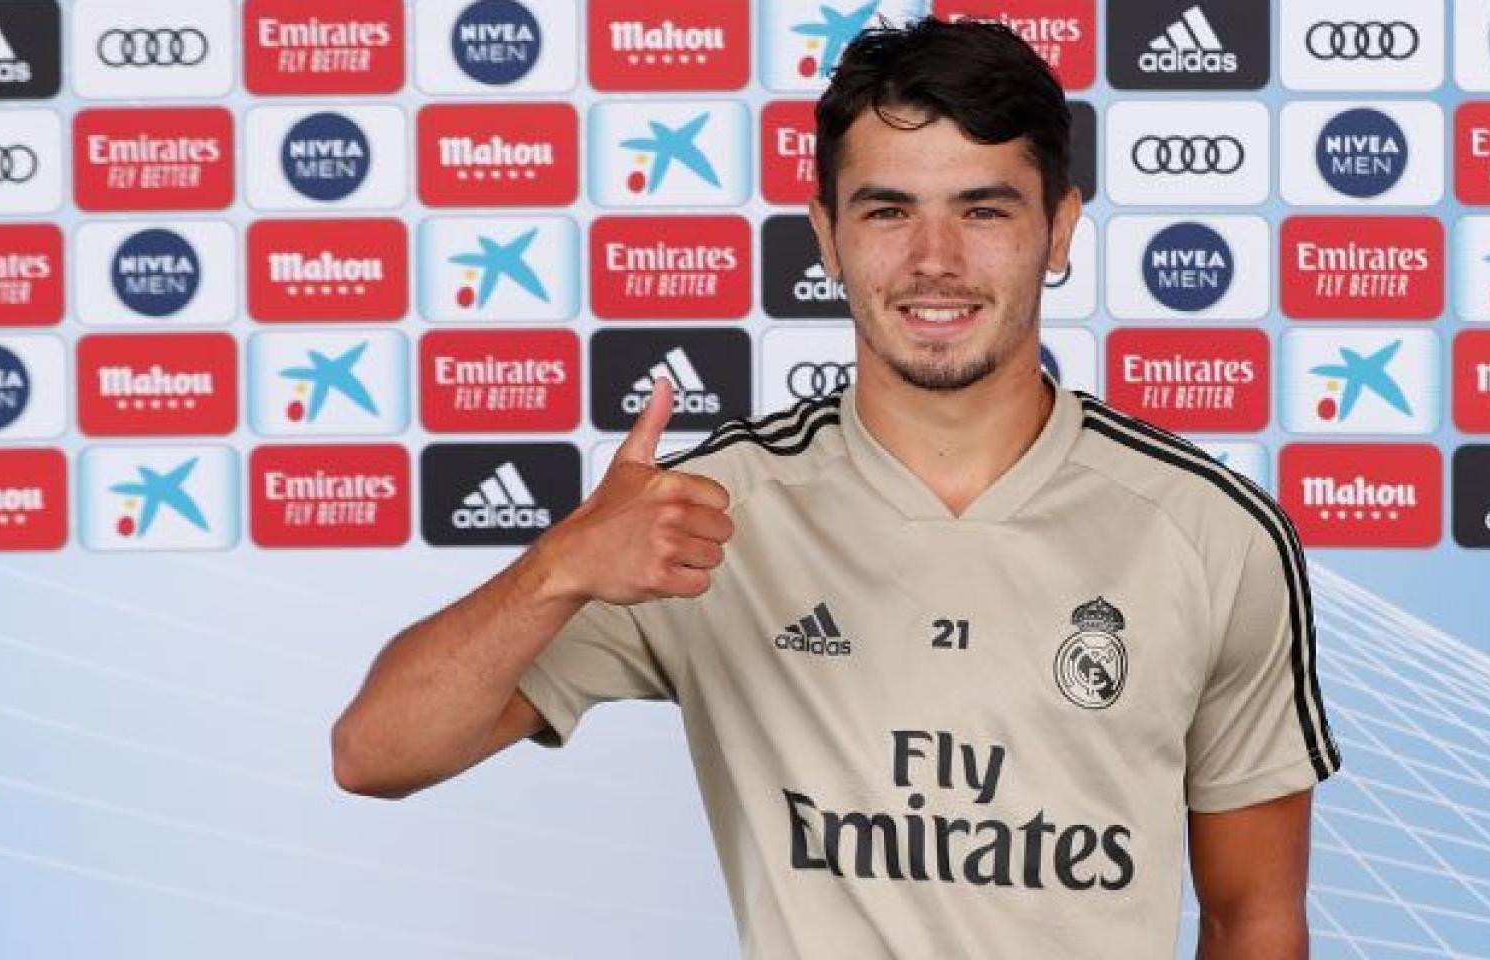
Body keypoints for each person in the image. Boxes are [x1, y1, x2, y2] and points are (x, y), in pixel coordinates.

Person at [332, 17, 1340, 959]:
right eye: (886, 211)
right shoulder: (707, 513)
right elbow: (374, 754)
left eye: (982, 210)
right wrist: (555, 570)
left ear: (1060, 227)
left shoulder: (1211, 532)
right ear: (826, 236)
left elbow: (1252, 909)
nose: (933, 262)